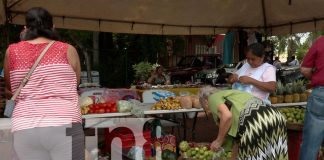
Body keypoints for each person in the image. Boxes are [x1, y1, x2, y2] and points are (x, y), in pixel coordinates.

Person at [3, 7, 84, 160]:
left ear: (25, 28)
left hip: (25, 126)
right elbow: (74, 83)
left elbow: (11, 88)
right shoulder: (68, 50)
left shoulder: (11, 51)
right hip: (64, 121)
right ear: (53, 27)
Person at [199, 86, 288, 159]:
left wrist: (219, 140)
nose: (209, 112)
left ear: (205, 102)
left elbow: (226, 116)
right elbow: (237, 142)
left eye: (206, 109)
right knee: (274, 155)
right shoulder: (233, 96)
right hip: (276, 117)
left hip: (256, 120)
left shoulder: (212, 98)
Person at [299, 36, 324, 160]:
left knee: (310, 144)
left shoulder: (321, 41)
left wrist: (315, 78)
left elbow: (304, 69)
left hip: (321, 94)